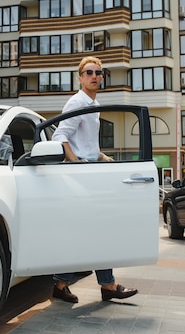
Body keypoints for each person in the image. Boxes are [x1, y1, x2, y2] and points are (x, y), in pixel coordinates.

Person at [51, 55, 138, 304]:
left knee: (92, 231)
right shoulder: (78, 102)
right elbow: (60, 136)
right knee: (97, 230)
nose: (94, 76)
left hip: (90, 172)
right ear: (80, 77)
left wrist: (100, 156)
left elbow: (84, 141)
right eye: (89, 72)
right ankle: (104, 285)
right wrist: (76, 162)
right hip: (80, 177)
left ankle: (66, 283)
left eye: (98, 73)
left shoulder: (92, 103)